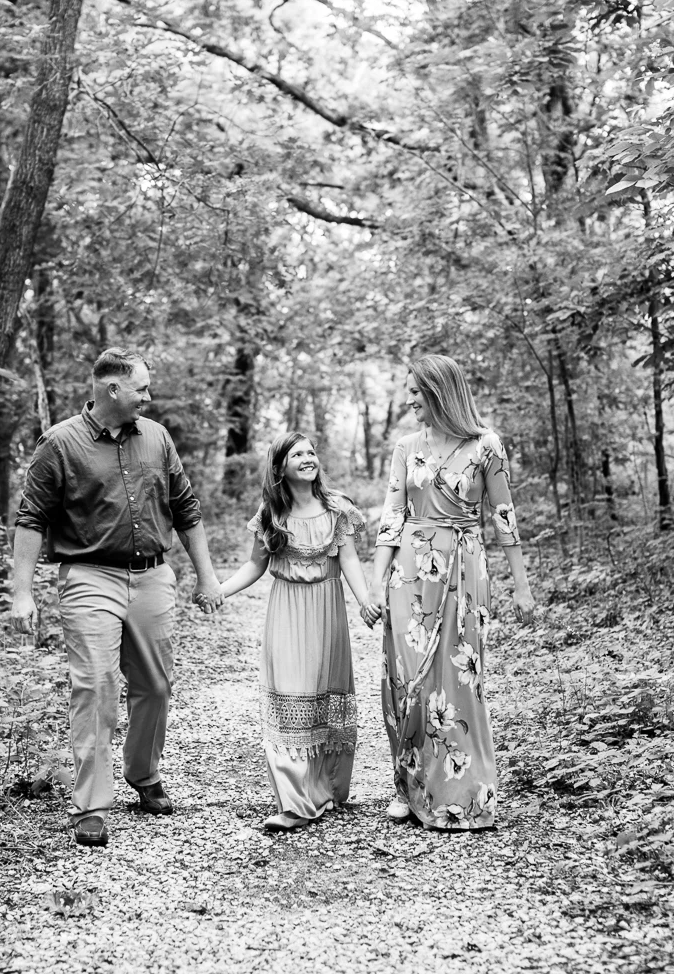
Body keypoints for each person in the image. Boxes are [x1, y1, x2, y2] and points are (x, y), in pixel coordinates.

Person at [10, 347, 224, 848]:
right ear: (112, 389)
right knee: (96, 687)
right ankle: (91, 804)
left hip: (152, 576)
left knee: (155, 684)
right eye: (141, 388)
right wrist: (22, 592)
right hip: (89, 576)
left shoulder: (157, 437)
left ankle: (143, 773)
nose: (148, 397)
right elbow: (31, 518)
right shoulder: (60, 443)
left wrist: (206, 578)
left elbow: (186, 508)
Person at [368, 354, 534, 831]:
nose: (409, 400)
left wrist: (521, 587)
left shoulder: (486, 445)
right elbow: (392, 518)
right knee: (405, 678)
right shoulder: (405, 447)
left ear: (439, 391)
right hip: (409, 571)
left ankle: (464, 793)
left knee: (458, 680)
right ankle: (409, 784)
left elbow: (504, 517)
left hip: (463, 566)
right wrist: (377, 584)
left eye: (415, 391)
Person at [218, 433, 381, 832]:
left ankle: (324, 790)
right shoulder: (272, 514)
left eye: (311, 452)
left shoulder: (337, 508)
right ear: (280, 467)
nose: (308, 458)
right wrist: (219, 590)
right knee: (290, 698)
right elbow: (254, 566)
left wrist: (364, 601)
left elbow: (349, 560)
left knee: (324, 696)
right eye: (297, 454)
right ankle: (294, 803)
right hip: (287, 611)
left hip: (328, 610)